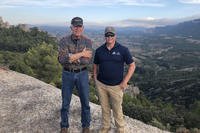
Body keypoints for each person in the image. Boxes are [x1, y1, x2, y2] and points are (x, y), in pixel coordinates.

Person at [93, 26, 136, 133]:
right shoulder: (99, 50)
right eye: (107, 35)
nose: (109, 37)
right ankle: (106, 127)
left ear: (115, 36)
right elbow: (95, 65)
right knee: (104, 107)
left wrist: (125, 82)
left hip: (116, 86)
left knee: (117, 109)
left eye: (111, 35)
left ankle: (120, 129)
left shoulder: (123, 50)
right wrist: (95, 79)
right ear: (105, 36)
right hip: (101, 85)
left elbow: (132, 65)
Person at [58, 17, 92, 133]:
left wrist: (71, 57)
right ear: (71, 27)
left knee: (85, 102)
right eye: (75, 26)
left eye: (80, 26)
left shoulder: (88, 41)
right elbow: (62, 60)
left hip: (82, 73)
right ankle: (64, 126)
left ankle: (86, 126)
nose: (77, 28)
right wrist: (82, 54)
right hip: (67, 73)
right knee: (65, 102)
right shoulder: (63, 40)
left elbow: (86, 61)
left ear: (83, 28)